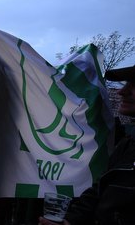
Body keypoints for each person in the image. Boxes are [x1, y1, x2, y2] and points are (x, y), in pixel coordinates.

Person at [39, 64, 135, 224]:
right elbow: (100, 190)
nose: (121, 91)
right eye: (126, 84)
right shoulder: (128, 144)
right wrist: (71, 221)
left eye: (134, 85)